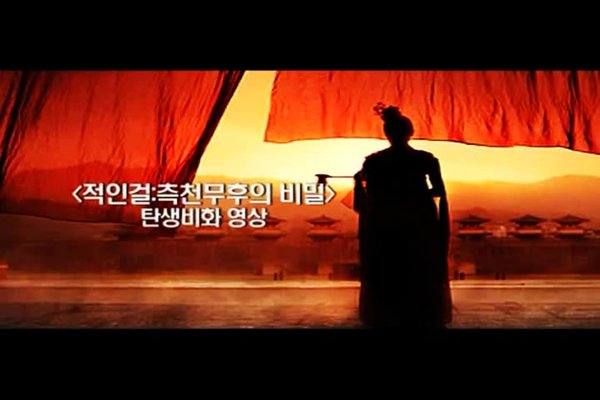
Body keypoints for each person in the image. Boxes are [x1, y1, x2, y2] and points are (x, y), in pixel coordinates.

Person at [353, 103, 453, 328]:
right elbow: (438, 190)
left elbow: (369, 194)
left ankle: (387, 312)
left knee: (388, 265)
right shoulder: (426, 159)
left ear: (386, 133)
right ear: (410, 132)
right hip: (419, 219)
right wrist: (414, 193)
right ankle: (420, 312)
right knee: (419, 266)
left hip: (385, 220)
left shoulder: (374, 161)